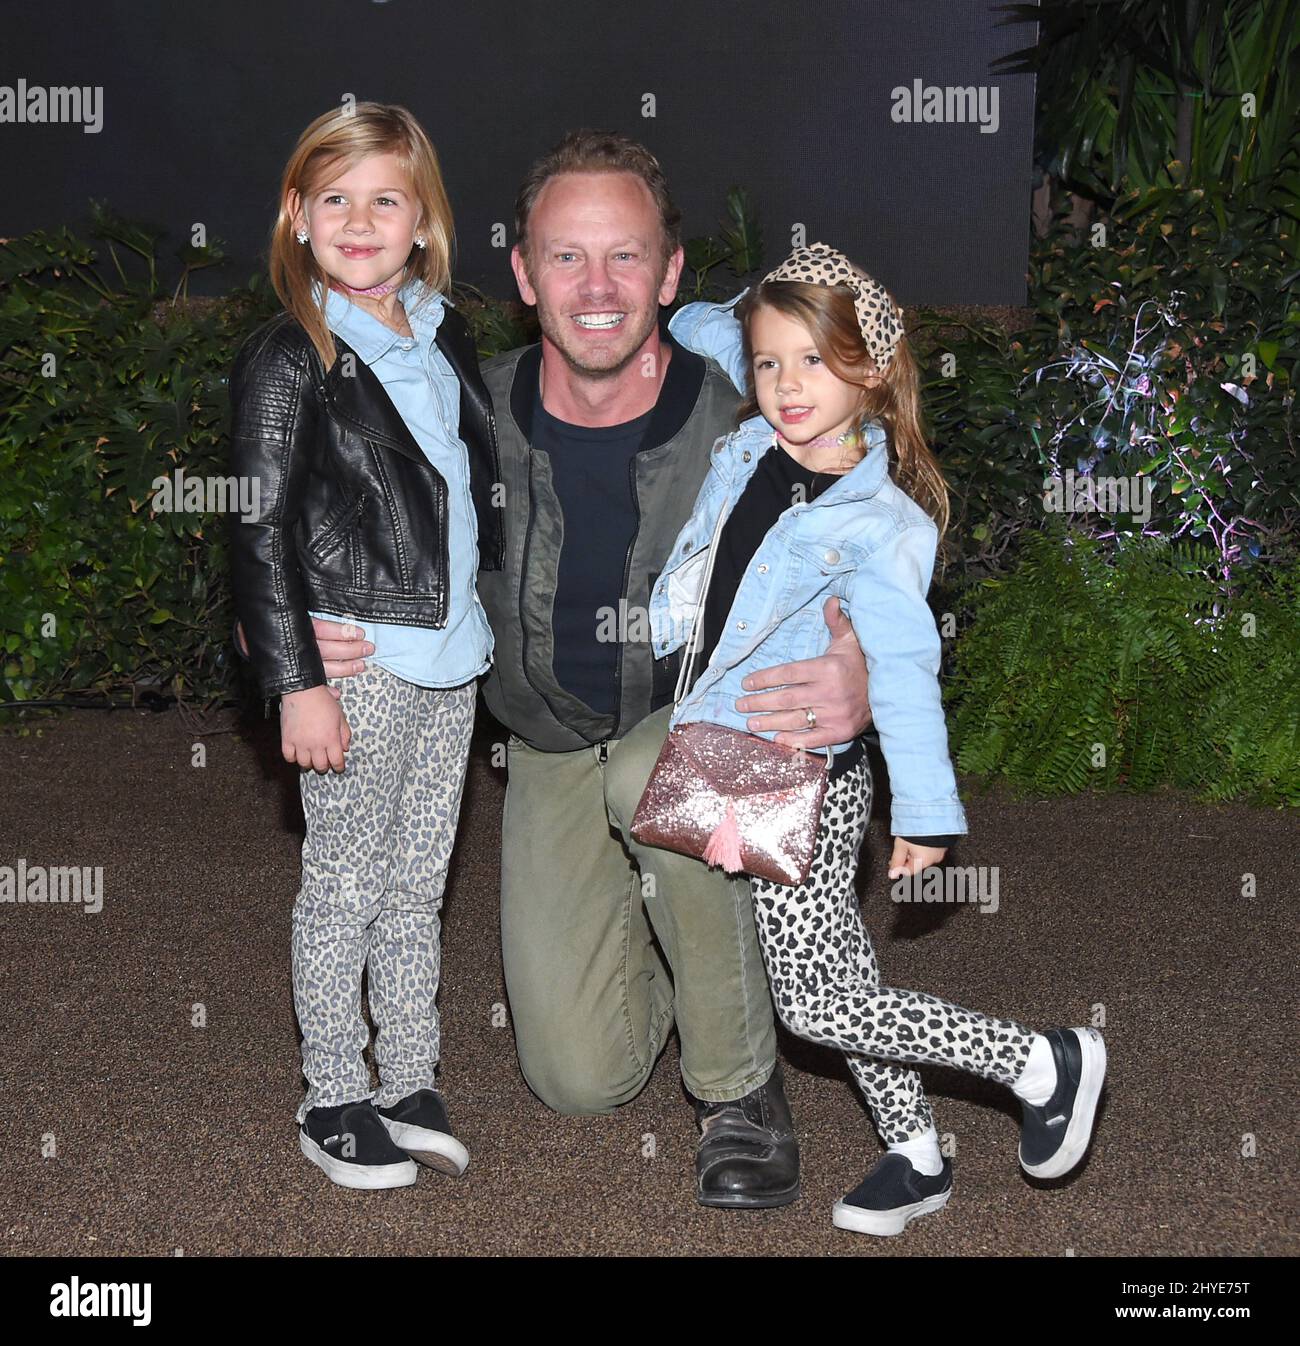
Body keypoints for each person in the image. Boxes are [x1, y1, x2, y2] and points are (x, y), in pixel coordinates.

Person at [310, 131, 875, 1209]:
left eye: (626, 257)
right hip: (553, 740)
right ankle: (695, 937)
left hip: (727, 728)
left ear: (670, 272)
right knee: (580, 1076)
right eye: (566, 258)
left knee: (651, 772)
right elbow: (318, 512)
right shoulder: (459, 409)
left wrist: (851, 659)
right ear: (523, 276)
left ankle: (741, 1086)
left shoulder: (755, 412)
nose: (598, 287)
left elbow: (882, 527)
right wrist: (290, 625)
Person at [652, 243, 1108, 1235]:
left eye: (812, 362)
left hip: (806, 772)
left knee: (813, 1005)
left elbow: (903, 677)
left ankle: (1040, 1060)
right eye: (770, 363)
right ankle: (914, 1151)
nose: (783, 385)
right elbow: (711, 330)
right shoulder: (762, 425)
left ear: (867, 369)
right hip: (738, 750)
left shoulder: (880, 521)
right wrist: (670, 298)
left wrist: (928, 812)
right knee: (841, 978)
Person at [228, 103, 503, 1190]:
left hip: (452, 659)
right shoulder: (291, 353)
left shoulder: (444, 333)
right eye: (332, 198)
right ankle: (332, 1091)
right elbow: (255, 523)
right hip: (360, 664)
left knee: (416, 881)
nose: (358, 218)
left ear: (424, 221)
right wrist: (293, 677)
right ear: (296, 217)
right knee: (343, 883)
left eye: (385, 198)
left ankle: (410, 1076)